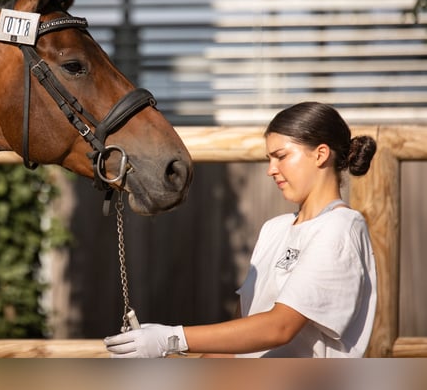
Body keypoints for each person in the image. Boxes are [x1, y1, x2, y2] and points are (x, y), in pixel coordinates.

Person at [104, 101, 378, 358]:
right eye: (269, 158)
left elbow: (280, 327)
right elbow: (239, 337)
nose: (271, 169)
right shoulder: (275, 229)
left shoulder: (340, 228)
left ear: (320, 154)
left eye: (281, 156)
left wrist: (171, 339)